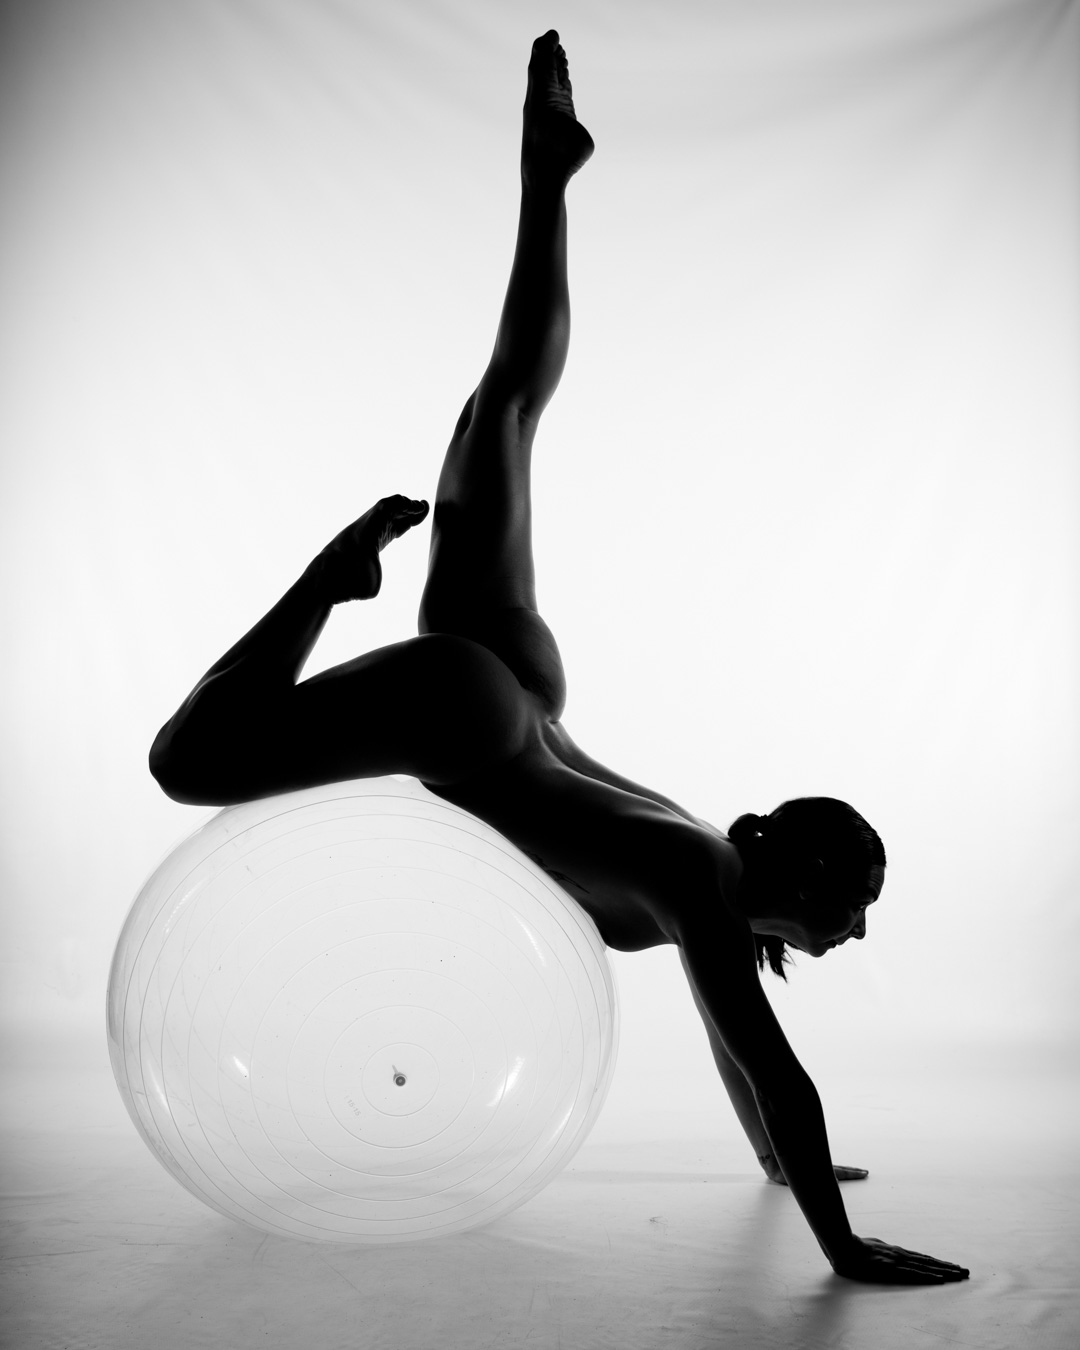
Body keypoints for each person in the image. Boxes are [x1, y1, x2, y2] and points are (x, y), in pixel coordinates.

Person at [149, 31, 968, 1286]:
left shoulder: (706, 880)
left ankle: (547, 178)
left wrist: (773, 1166)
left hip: (516, 694)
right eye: (855, 898)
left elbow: (733, 1043)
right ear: (800, 867)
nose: (856, 929)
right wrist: (841, 1245)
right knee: (187, 763)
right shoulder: (696, 873)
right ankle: (326, 580)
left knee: (504, 411)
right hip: (477, 718)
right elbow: (770, 1056)